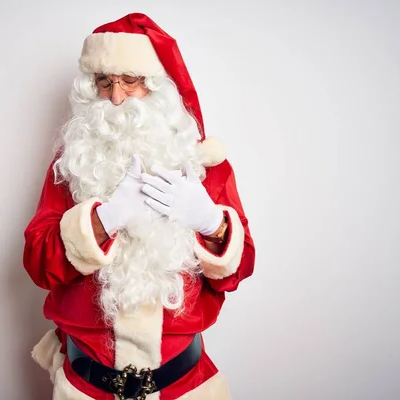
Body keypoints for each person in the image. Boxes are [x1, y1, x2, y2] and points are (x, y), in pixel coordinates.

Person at [23, 13, 255, 400]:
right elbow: (36, 263)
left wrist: (212, 222)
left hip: (185, 388)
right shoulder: (74, 164)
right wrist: (102, 221)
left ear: (158, 86)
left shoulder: (202, 165)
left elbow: (240, 267)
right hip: (86, 387)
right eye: (105, 82)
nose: (116, 98)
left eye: (130, 81)